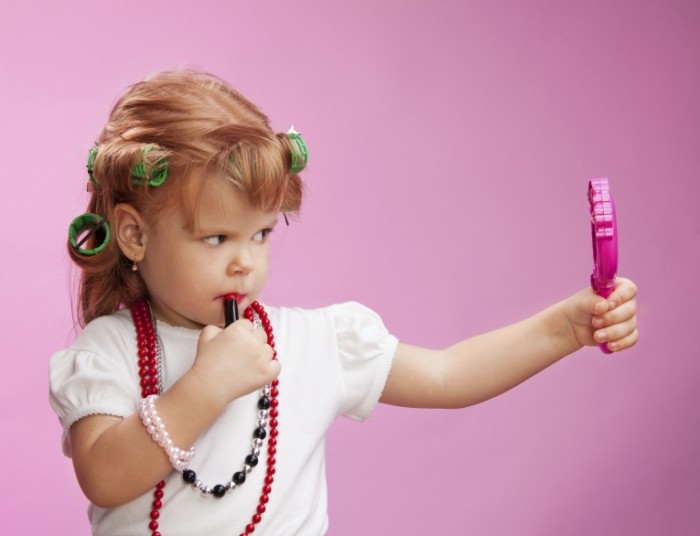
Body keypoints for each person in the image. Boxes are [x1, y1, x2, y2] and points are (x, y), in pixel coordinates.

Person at [49, 68, 639, 536]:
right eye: (215, 238)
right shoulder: (109, 350)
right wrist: (204, 388)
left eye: (260, 234)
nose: (244, 262)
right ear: (133, 235)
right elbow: (103, 475)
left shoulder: (313, 343)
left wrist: (566, 327)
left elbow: (446, 374)